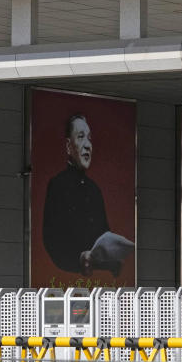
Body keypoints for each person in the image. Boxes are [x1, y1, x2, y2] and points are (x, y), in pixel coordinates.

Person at [43, 114, 132, 275]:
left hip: (99, 282)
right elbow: (51, 241)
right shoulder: (57, 185)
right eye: (81, 137)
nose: (88, 145)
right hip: (67, 277)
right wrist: (78, 259)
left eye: (90, 139)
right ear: (68, 146)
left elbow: (103, 238)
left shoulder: (94, 190)